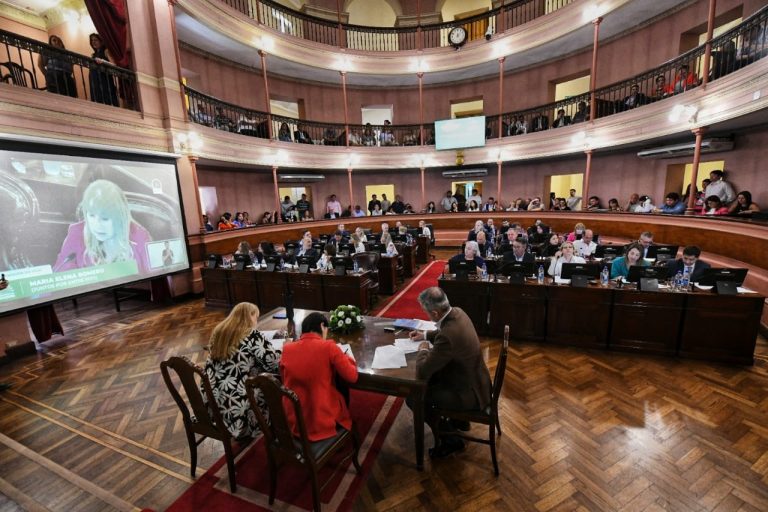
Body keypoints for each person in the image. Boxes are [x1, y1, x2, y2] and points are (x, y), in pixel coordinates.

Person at [407, 287, 492, 458]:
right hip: (478, 382)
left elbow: (423, 371)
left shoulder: (448, 336)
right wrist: (424, 335)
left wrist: (423, 349)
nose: (426, 315)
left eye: (426, 312)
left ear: (436, 312)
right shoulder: (458, 312)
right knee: (435, 380)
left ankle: (451, 440)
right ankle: (460, 422)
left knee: (414, 398)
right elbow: (443, 330)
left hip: (469, 393)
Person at [202, 302, 281, 441]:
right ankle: (279, 433)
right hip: (242, 411)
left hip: (216, 405)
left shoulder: (219, 332)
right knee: (274, 384)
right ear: (249, 316)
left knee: (255, 370)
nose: (256, 322)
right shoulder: (252, 334)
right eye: (256, 317)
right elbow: (273, 364)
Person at [279, 312, 357, 441]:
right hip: (320, 418)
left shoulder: (287, 349)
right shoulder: (328, 347)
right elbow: (352, 376)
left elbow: (284, 379)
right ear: (322, 326)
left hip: (295, 418)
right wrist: (347, 357)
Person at [54, 180, 151, 273]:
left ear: (120, 216)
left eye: (105, 218)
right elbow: (60, 275)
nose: (97, 225)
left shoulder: (140, 237)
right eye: (91, 215)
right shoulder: (76, 233)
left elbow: (155, 277)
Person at [88, 33, 119, 107]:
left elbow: (114, 65)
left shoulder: (106, 51)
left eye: (95, 40)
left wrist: (103, 61)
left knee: (107, 100)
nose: (93, 42)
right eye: (92, 40)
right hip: (95, 82)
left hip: (104, 79)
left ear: (101, 41)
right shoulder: (93, 55)